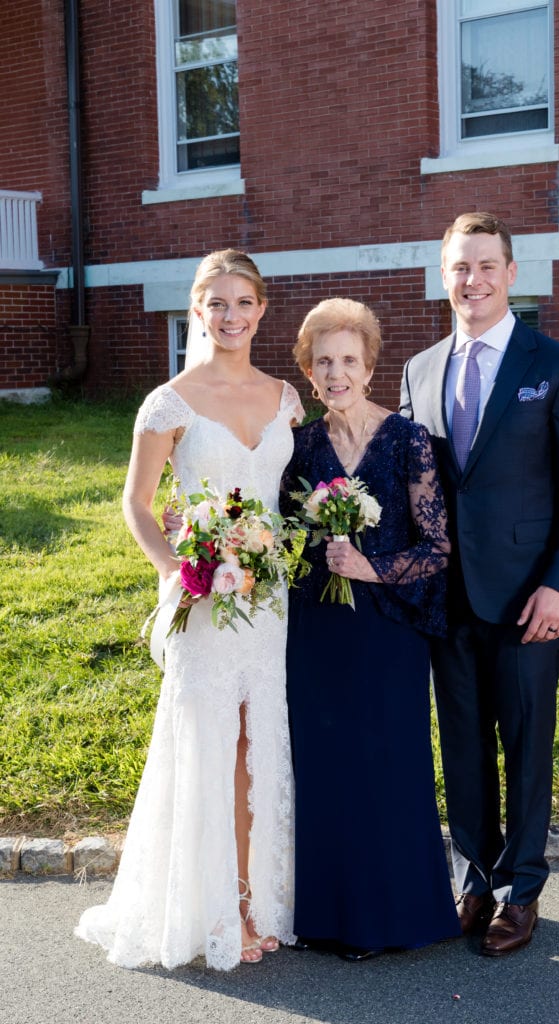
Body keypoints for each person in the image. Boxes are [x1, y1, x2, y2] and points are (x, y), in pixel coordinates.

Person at [75, 249, 304, 970]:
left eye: (243, 303)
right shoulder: (168, 401)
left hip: (268, 601)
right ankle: (216, 912)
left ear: (261, 311)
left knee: (256, 744)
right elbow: (137, 504)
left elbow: (289, 499)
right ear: (197, 312)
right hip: (204, 601)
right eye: (216, 303)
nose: (231, 316)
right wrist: (177, 569)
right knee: (206, 745)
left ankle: (259, 901)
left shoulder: (285, 398)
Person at [400, 212, 559, 957]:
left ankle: (522, 891)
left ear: (511, 273)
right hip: (444, 598)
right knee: (460, 744)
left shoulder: (554, 365)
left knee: (524, 746)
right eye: (459, 267)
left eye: (486, 266)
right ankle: (476, 878)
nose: (472, 280)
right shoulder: (420, 370)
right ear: (443, 273)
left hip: (527, 597)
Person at [281, 297, 460, 962]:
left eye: (348, 360)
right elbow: (283, 535)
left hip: (389, 630)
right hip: (317, 628)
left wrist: (369, 565)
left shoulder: (407, 439)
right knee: (325, 766)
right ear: (306, 368)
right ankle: (324, 917)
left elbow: (438, 547)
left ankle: (394, 918)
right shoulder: (298, 447)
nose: (336, 373)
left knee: (388, 765)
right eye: (323, 361)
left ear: (369, 366)